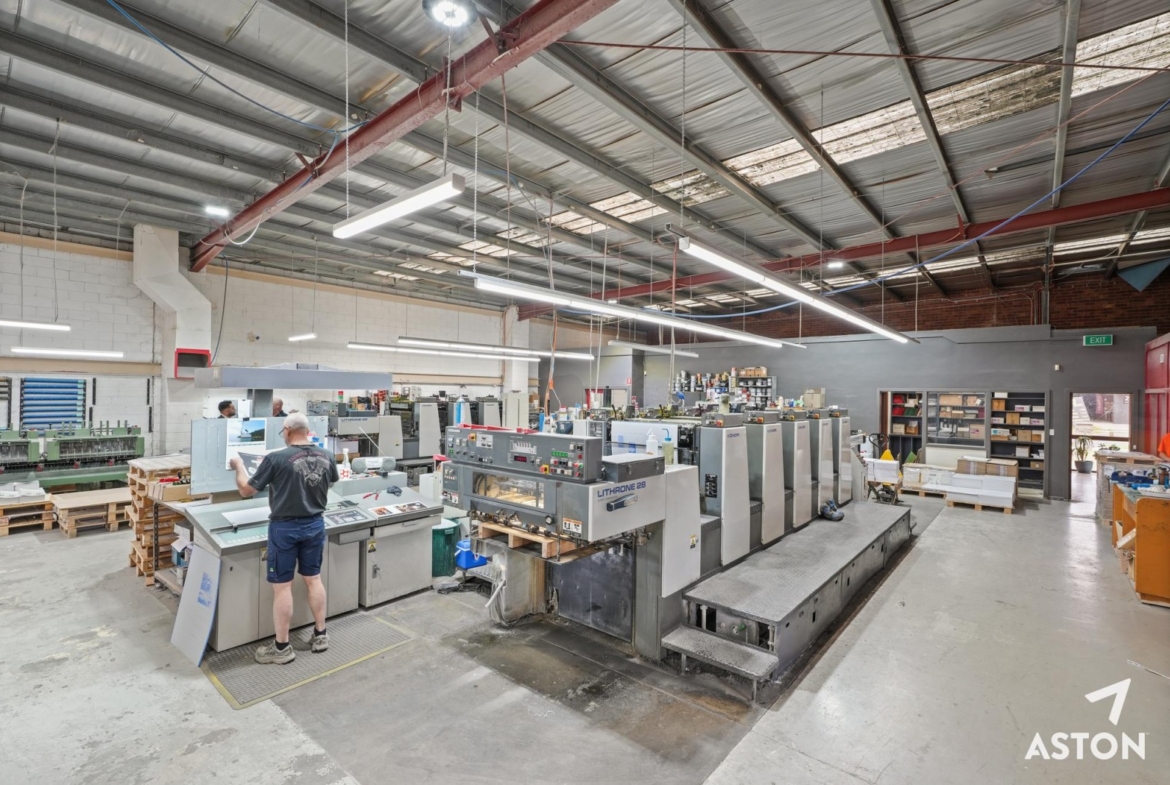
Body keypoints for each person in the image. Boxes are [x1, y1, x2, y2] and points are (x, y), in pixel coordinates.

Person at [230, 412, 339, 664]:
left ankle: (281, 648)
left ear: (287, 430)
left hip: (284, 529)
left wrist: (238, 466)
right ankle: (320, 635)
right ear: (308, 431)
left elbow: (246, 490)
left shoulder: (276, 458)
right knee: (314, 579)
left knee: (282, 587)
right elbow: (330, 482)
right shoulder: (327, 455)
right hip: (315, 524)